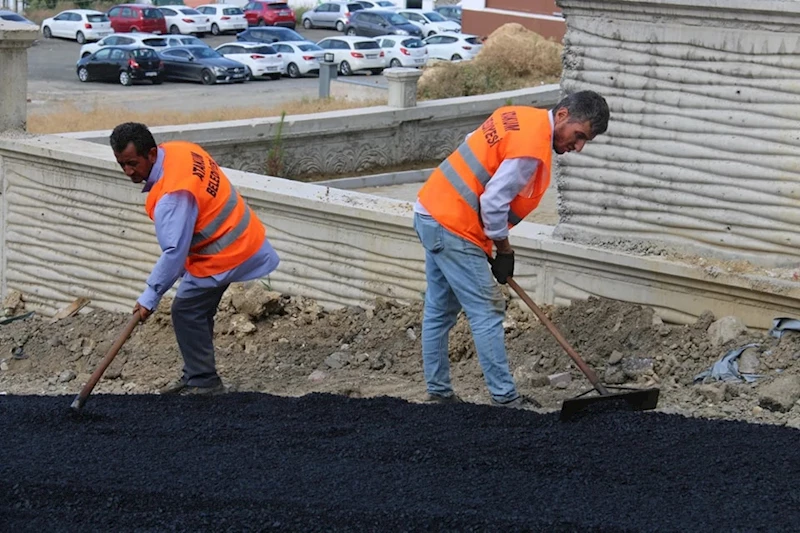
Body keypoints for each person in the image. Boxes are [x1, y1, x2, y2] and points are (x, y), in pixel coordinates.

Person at [413, 90, 610, 408]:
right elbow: (492, 202)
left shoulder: (519, 116)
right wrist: (504, 250)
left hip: (431, 210)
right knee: (487, 311)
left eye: (585, 141)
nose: (578, 147)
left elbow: (474, 143)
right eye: (579, 136)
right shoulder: (531, 149)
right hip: (453, 225)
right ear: (562, 116)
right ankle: (505, 400)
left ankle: (439, 393)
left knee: (440, 310)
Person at [110, 122, 280, 396]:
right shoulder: (180, 150)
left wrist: (150, 296)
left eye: (132, 163)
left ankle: (203, 381)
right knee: (195, 311)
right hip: (241, 237)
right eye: (122, 164)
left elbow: (175, 252)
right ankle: (196, 376)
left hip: (224, 253)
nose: (128, 171)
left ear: (151, 154)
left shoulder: (172, 196)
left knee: (186, 310)